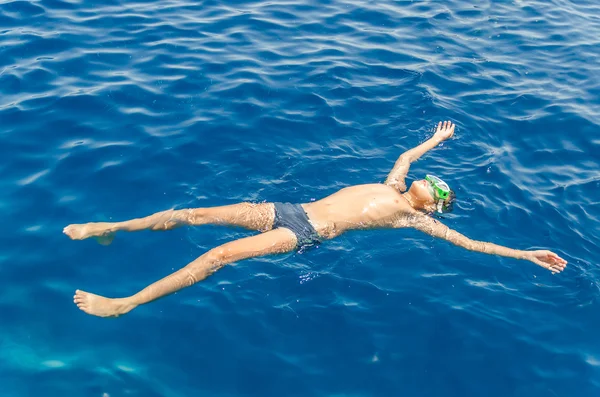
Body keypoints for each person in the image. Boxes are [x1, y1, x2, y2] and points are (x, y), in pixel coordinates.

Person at [64, 121, 567, 318]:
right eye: (433, 180)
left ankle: (126, 304)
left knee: (215, 256)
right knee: (190, 213)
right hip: (290, 208)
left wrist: (524, 253)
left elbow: (473, 245)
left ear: (432, 205)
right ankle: (113, 228)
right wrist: (434, 142)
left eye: (437, 190)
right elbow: (408, 157)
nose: (429, 182)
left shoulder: (418, 221)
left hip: (306, 232)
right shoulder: (393, 184)